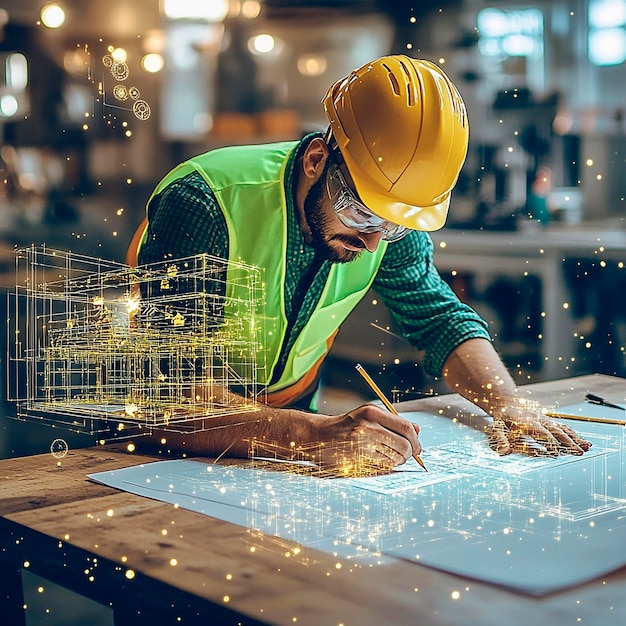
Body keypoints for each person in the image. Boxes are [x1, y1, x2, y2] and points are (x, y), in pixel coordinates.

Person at [130, 55, 590, 471]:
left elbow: (439, 319)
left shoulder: (387, 224)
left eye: (392, 225)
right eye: (361, 212)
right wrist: (309, 435)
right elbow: (166, 403)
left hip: (287, 432)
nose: (373, 243)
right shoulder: (204, 203)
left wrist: (507, 402)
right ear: (316, 160)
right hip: (166, 448)